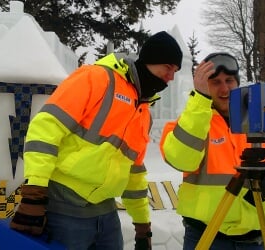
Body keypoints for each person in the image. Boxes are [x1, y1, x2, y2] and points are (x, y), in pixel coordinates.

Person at [10, 31, 183, 250]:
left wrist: (142, 226)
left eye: (175, 71)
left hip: (106, 213)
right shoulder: (97, 78)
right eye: (168, 68)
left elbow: (134, 172)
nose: (171, 77)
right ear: (151, 59)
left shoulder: (143, 112)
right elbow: (45, 129)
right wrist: (34, 194)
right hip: (64, 208)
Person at [159, 52, 265, 250]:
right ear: (205, 86)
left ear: (237, 83)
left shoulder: (260, 128)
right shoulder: (189, 125)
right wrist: (199, 100)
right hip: (206, 237)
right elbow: (181, 159)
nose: (224, 88)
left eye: (229, 81)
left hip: (255, 239)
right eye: (215, 82)